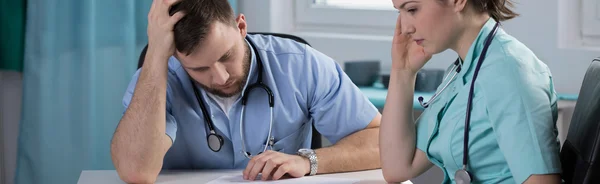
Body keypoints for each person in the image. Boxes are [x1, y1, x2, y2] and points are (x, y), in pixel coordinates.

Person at [110, 0, 382, 183]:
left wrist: (308, 160)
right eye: (199, 69)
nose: (220, 77)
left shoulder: (301, 65)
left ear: (241, 26)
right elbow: (136, 172)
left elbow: (380, 143)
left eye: (226, 55)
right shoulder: (159, 78)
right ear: (177, 57)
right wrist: (156, 52)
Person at [379, 0, 562, 183]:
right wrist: (402, 71)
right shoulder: (464, 70)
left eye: (412, 9)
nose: (405, 28)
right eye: (399, 13)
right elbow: (397, 167)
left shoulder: (509, 74)